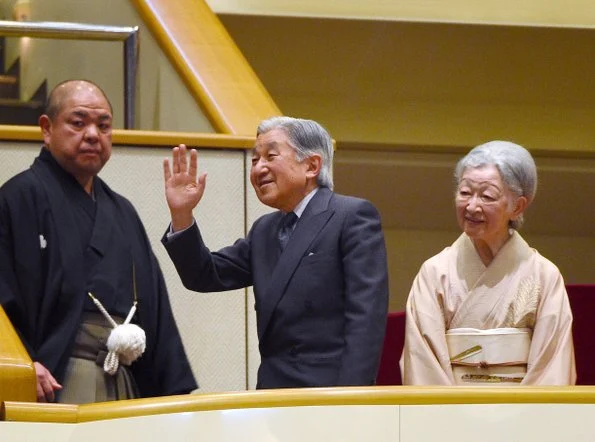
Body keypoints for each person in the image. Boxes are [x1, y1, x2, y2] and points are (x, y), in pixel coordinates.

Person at [0, 79, 197, 403]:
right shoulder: (18, 198)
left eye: (103, 125)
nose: (92, 134)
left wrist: (175, 392)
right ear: (47, 129)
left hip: (123, 377)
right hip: (52, 381)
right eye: (78, 123)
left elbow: (154, 307)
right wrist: (20, 363)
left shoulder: (121, 210)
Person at [162, 116, 389, 389]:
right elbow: (203, 275)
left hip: (329, 393)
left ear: (312, 165)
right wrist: (182, 213)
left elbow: (366, 320)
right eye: (255, 159)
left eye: (270, 156)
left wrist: (351, 398)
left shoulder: (350, 216)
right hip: (272, 394)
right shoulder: (264, 230)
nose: (258, 168)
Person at [401, 140, 576, 385]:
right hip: (449, 416)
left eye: (487, 196)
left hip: (523, 416)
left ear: (518, 206)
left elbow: (552, 366)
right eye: (464, 193)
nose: (472, 206)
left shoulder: (544, 275)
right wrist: (450, 417)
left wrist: (523, 418)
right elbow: (422, 362)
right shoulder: (434, 272)